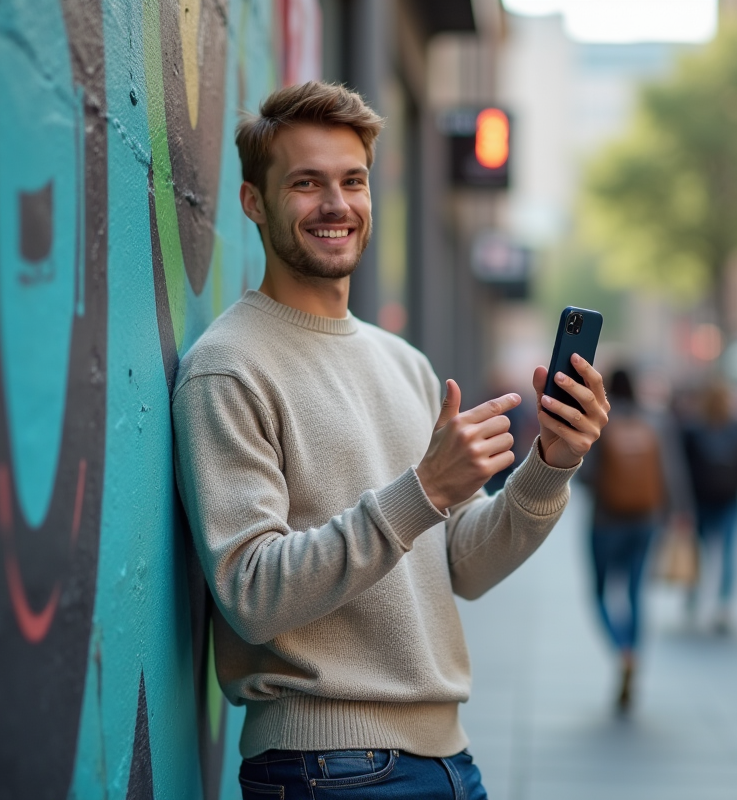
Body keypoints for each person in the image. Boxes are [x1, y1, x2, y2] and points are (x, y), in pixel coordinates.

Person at [171, 82, 610, 799]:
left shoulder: (403, 362)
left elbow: (459, 564)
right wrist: (427, 489)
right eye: (306, 183)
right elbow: (250, 590)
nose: (336, 205)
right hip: (324, 769)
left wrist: (550, 467)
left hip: (448, 758)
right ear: (254, 201)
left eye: (353, 181)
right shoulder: (229, 367)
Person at [578, 369, 671, 712]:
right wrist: (676, 513)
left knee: (600, 592)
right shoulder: (655, 421)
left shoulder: (600, 421)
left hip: (606, 520)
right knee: (635, 592)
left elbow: (586, 475)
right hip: (646, 519)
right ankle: (634, 652)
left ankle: (621, 651)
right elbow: (670, 472)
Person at [681, 381, 737, 633]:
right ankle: (723, 606)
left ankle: (693, 597)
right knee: (728, 554)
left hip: (700, 500)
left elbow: (684, 471)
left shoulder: (693, 428)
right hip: (728, 499)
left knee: (698, 554)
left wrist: (681, 505)